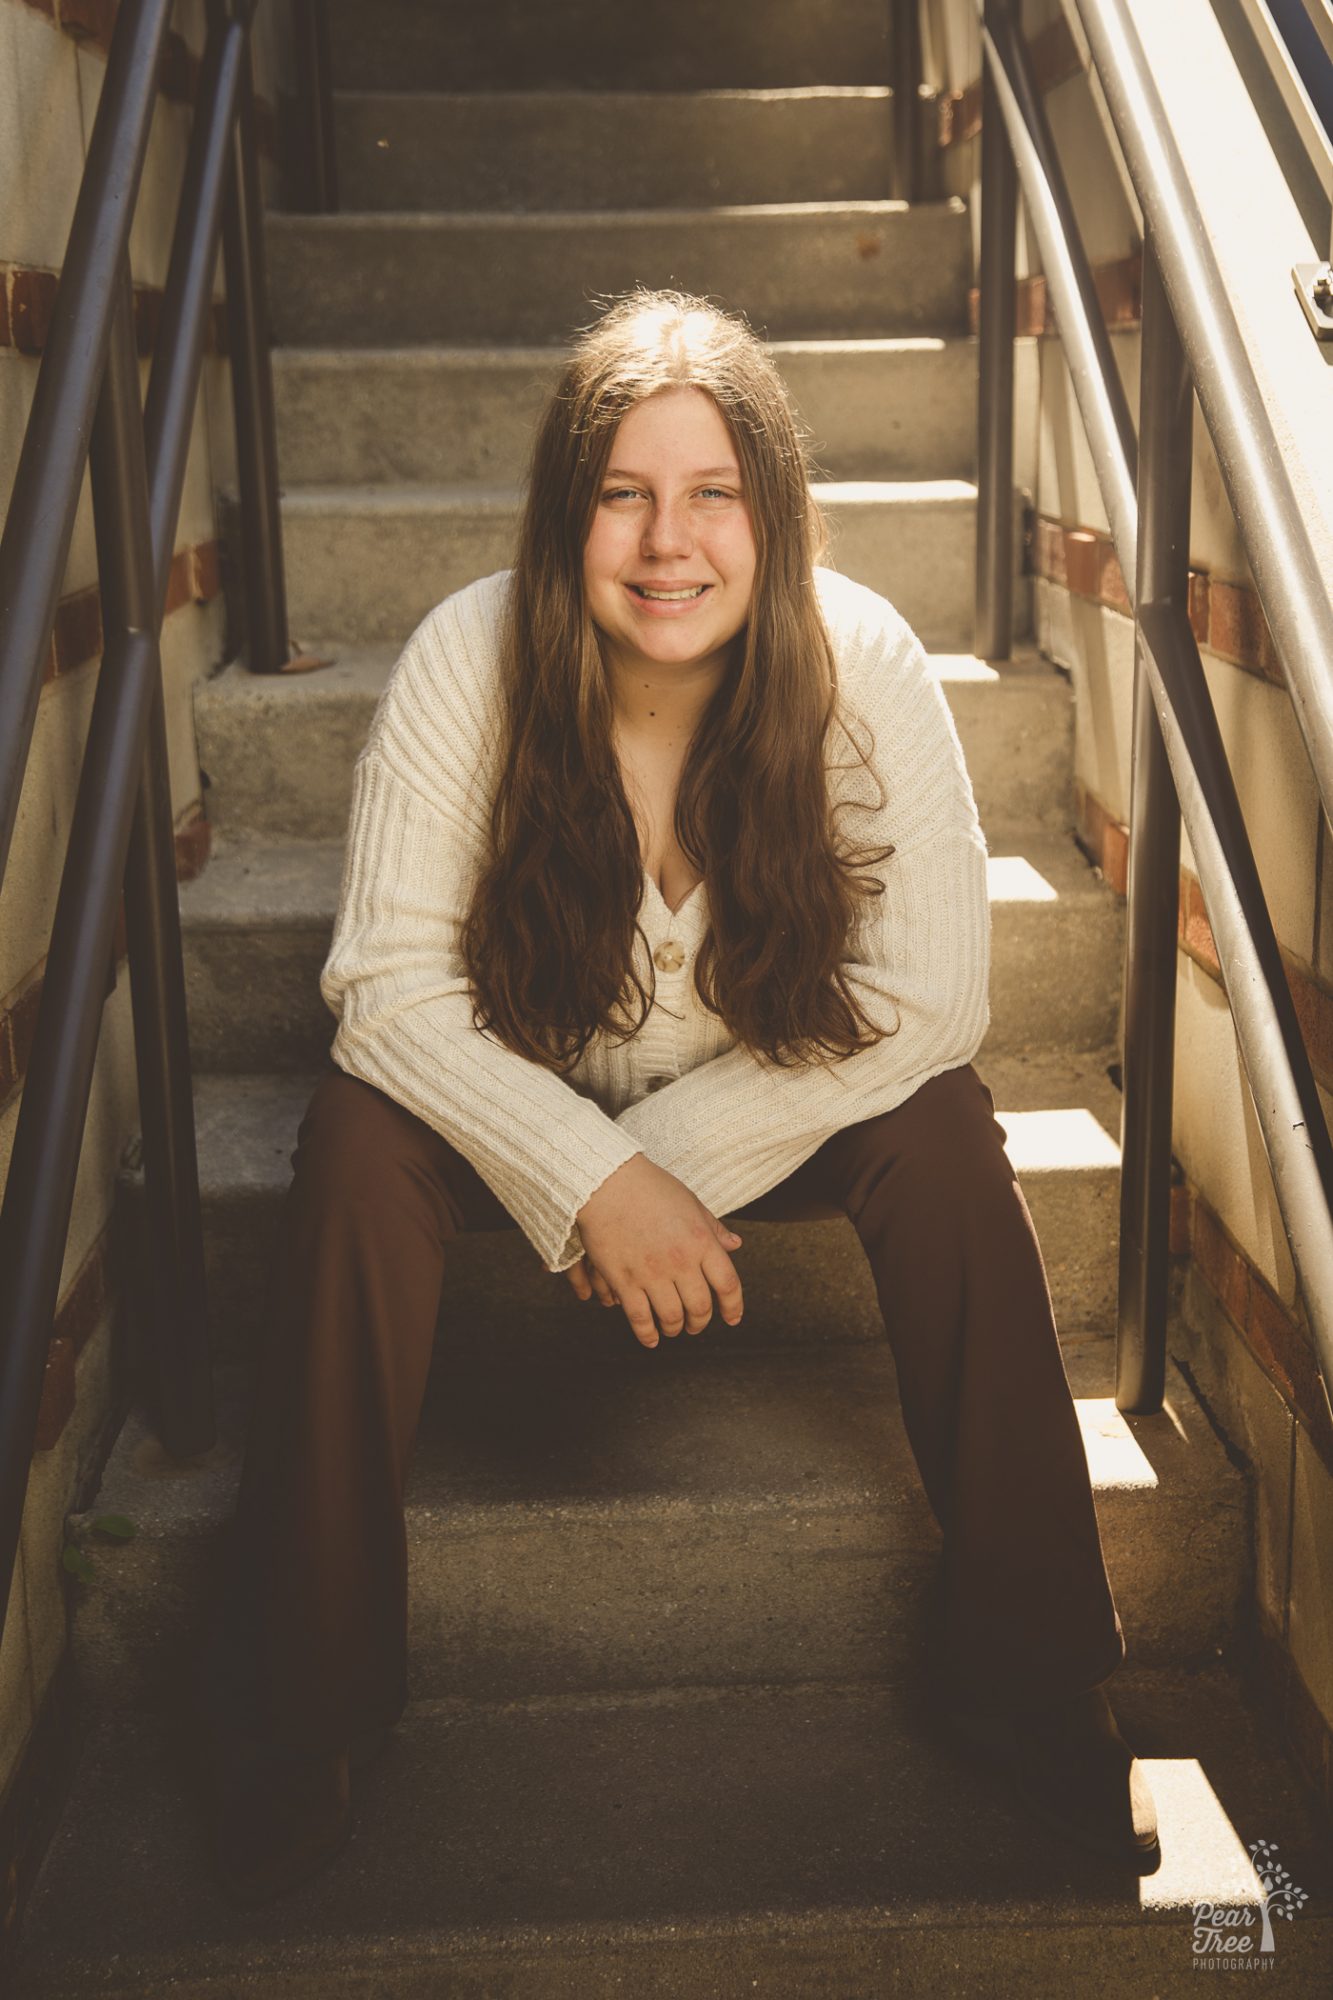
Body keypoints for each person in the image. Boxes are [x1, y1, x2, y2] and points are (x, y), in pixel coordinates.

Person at [193, 289, 1159, 1905]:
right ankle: (302, 1705)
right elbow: (385, 988)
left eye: (711, 492)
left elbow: (930, 996)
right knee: (358, 1138)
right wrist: (580, 1173)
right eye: (623, 494)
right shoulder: (467, 659)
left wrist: (650, 1175)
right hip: (519, 1096)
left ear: (770, 518)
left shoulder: (859, 669)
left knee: (941, 1123)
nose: (667, 541)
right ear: (566, 516)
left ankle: (1027, 1665)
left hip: (761, 1109)